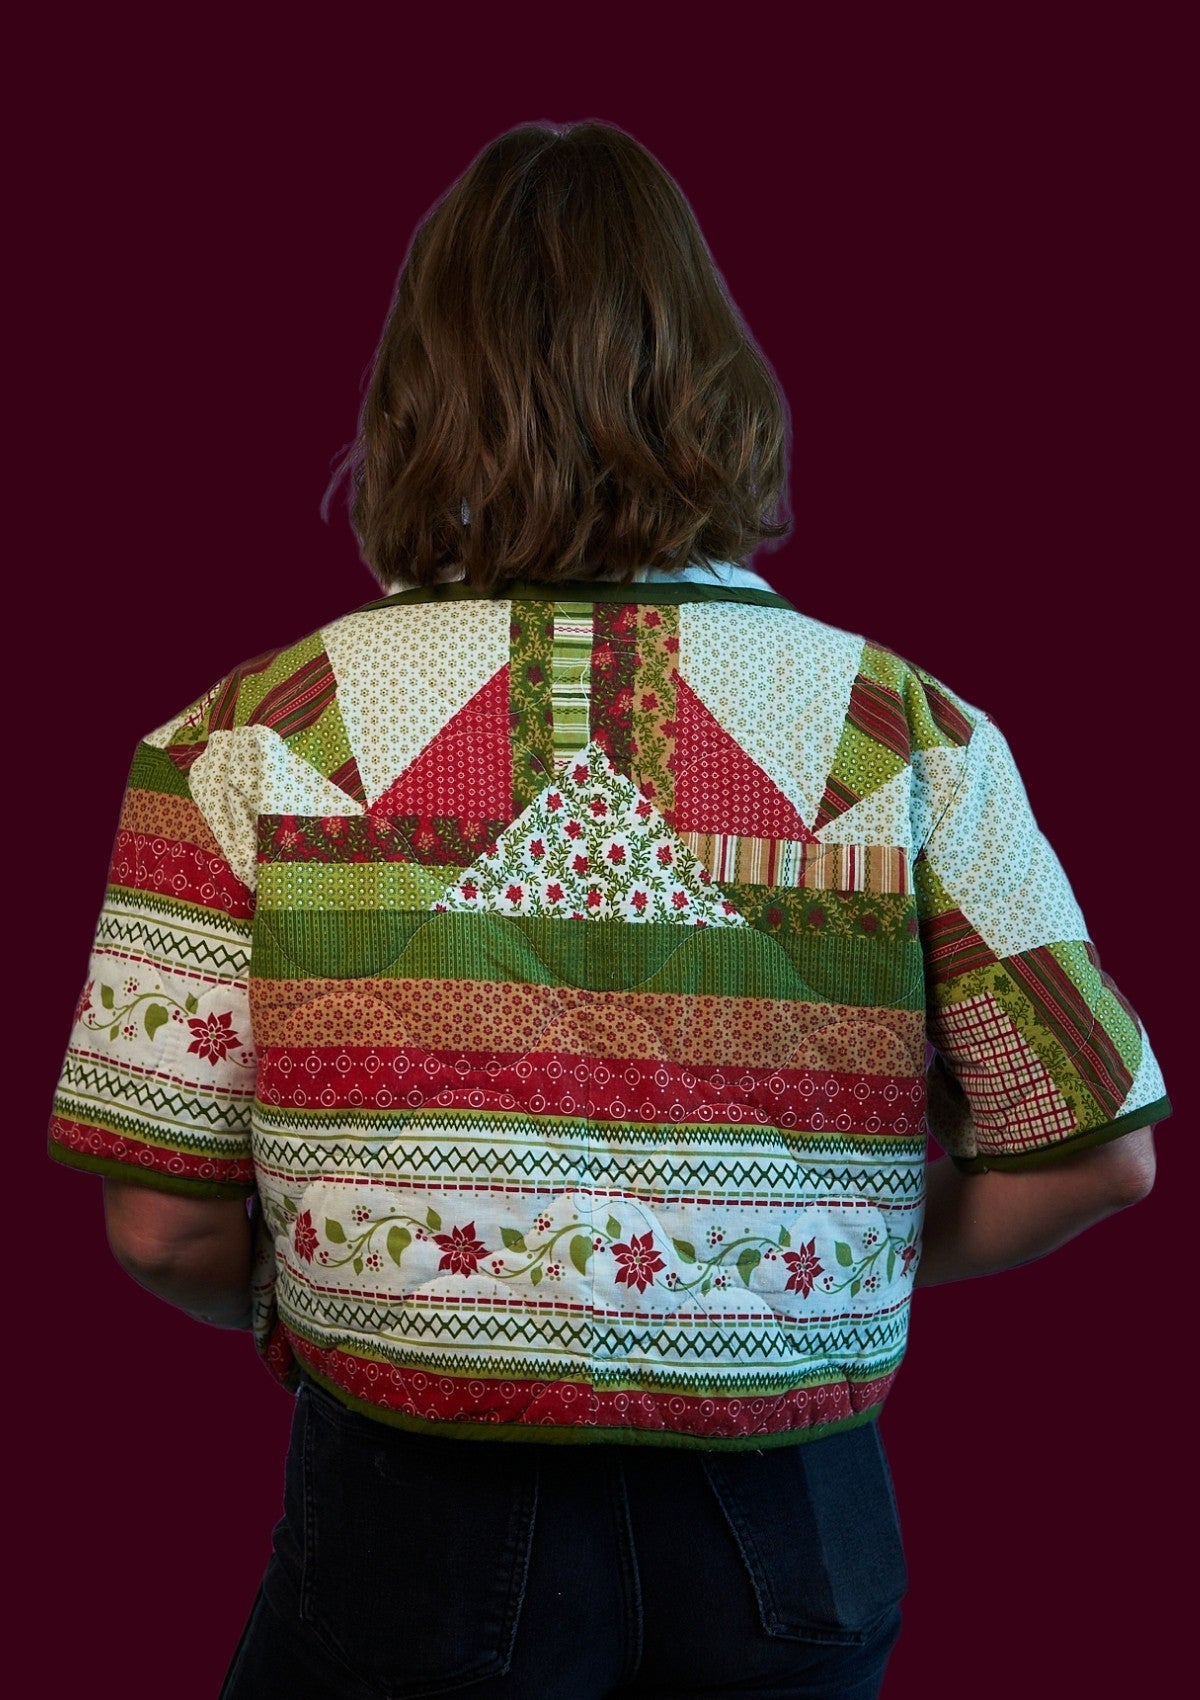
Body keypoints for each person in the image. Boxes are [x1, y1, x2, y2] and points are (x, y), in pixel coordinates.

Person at [49, 120, 1168, 1700]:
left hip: (411, 1528)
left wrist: (379, 1272)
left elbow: (163, 1223)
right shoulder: (912, 733)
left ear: (412, 397)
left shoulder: (243, 736)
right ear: (715, 381)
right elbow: (1100, 1158)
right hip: (797, 1533)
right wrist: (795, 1260)